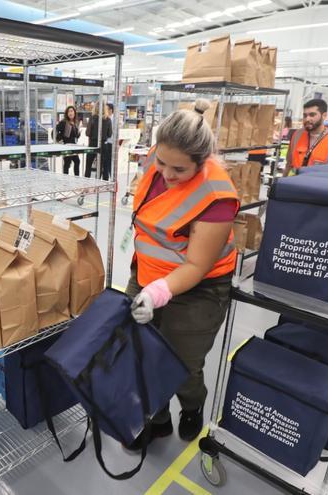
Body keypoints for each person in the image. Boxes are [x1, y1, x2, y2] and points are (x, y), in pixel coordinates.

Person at [126, 99, 238, 448]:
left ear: (201, 163)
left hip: (198, 289)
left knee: (180, 364)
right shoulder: (158, 162)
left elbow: (196, 265)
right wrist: (144, 283)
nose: (166, 174)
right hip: (147, 273)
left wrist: (156, 292)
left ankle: (192, 405)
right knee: (141, 354)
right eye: (161, 162)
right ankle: (156, 420)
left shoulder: (216, 196)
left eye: (178, 170)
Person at [285, 98, 328, 176]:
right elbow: (289, 164)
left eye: (312, 115)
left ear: (324, 115)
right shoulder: (297, 135)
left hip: (320, 186)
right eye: (305, 115)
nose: (307, 119)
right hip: (293, 184)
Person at [85, 104, 112, 179]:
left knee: (88, 165)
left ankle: (86, 182)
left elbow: (87, 133)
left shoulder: (92, 118)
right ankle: (103, 183)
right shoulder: (108, 119)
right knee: (104, 165)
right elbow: (110, 134)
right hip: (103, 144)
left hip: (93, 143)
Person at [55, 106, 81, 175]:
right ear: (66, 113)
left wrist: (79, 133)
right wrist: (59, 139)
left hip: (74, 146)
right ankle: (65, 180)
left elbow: (76, 136)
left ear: (74, 113)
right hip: (66, 146)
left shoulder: (75, 123)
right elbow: (55, 131)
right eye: (69, 111)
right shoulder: (63, 122)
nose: (70, 113)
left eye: (72, 111)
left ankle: (76, 178)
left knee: (77, 161)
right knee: (67, 163)